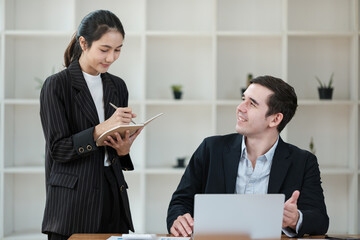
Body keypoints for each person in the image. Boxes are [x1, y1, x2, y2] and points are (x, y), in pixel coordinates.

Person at [167, 75, 329, 237]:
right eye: (243, 99)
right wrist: (179, 219)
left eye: (252, 104)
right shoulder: (210, 149)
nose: (240, 107)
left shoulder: (303, 161)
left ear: (275, 119)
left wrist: (295, 219)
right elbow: (180, 202)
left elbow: (320, 220)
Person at [40, 10, 142, 240]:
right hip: (73, 202)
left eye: (117, 50)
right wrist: (101, 128)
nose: (111, 58)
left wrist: (123, 151)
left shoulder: (118, 86)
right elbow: (58, 149)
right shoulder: (57, 85)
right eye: (104, 50)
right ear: (83, 43)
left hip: (112, 195)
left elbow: (113, 148)